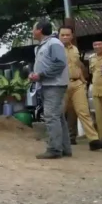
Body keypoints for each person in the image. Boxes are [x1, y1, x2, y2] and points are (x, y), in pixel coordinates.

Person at [59, 26, 102, 151]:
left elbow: (77, 65)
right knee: (59, 114)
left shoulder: (74, 49)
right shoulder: (55, 48)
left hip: (77, 84)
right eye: (62, 35)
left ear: (72, 36)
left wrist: (82, 79)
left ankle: (93, 140)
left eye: (67, 35)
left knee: (84, 112)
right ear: (58, 36)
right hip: (61, 85)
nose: (65, 37)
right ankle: (57, 140)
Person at [29, 19, 71, 159]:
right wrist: (36, 75)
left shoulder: (54, 43)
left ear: (40, 30)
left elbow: (60, 63)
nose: (32, 31)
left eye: (33, 28)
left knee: (51, 116)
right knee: (58, 117)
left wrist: (41, 74)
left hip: (54, 84)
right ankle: (64, 148)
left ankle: (54, 149)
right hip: (48, 84)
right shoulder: (43, 45)